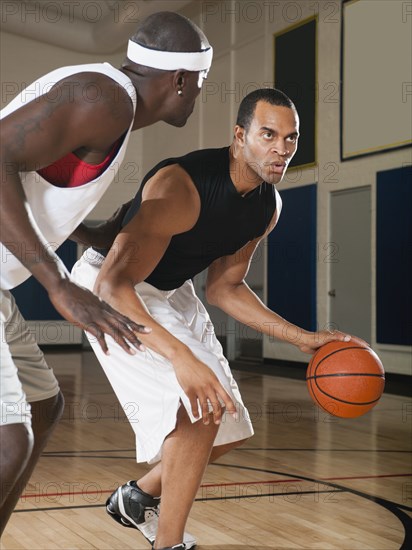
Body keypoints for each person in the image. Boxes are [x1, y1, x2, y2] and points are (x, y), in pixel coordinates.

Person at [71, 88, 363, 550]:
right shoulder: (181, 186)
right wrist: (182, 356)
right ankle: (169, 543)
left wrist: (300, 337)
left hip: (170, 288)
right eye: (268, 134)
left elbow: (224, 287)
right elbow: (113, 284)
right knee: (198, 408)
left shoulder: (267, 206)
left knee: (227, 424)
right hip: (109, 288)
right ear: (240, 135)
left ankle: (136, 497)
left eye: (291, 138)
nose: (281, 149)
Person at [0, 11, 217, 536]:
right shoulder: (104, 98)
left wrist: (97, 233)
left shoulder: (107, 104)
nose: (199, 94)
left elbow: (36, 185)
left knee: (43, 407)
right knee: (10, 440)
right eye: (201, 83)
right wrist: (57, 282)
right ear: (181, 80)